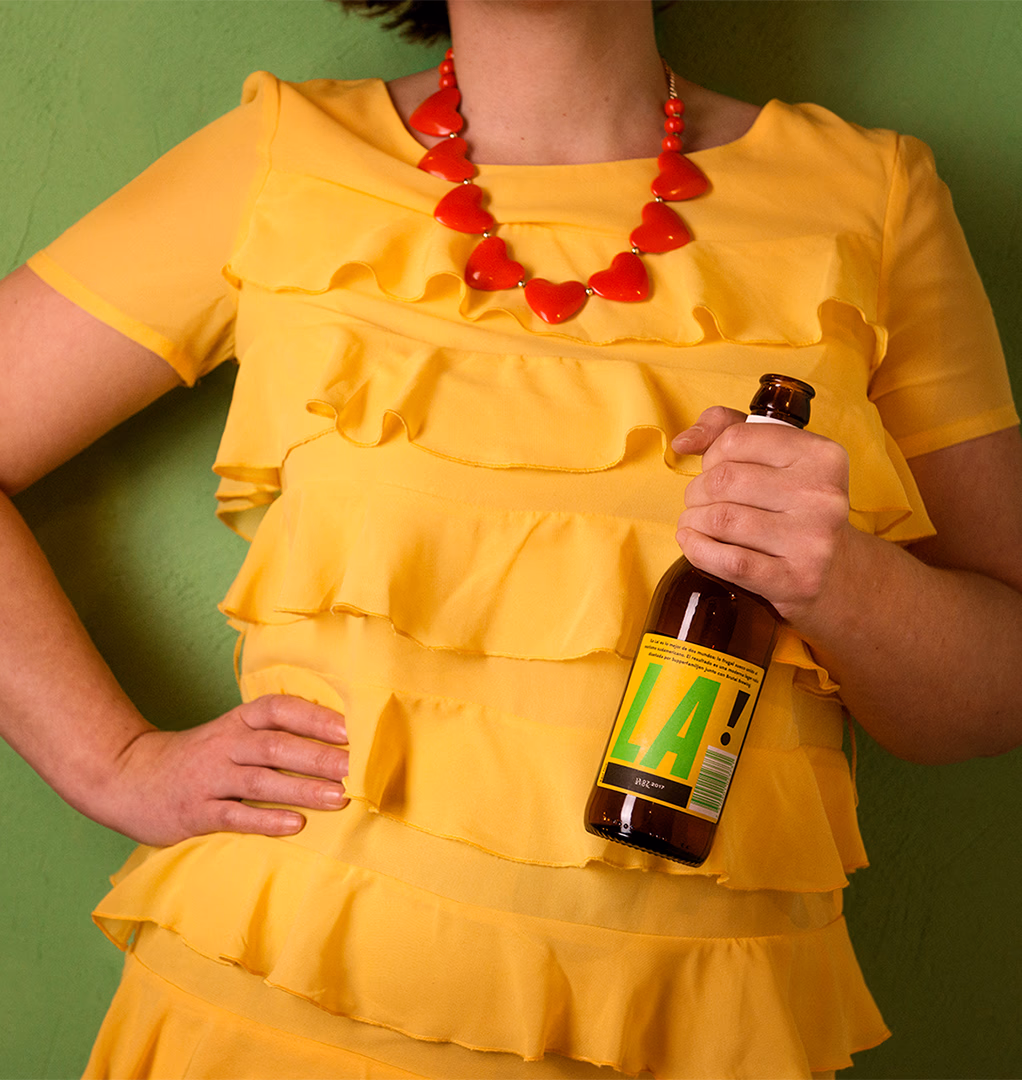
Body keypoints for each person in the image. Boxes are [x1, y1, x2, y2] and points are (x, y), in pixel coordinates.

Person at [2, 0, 1020, 1076]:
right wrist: (114, 765)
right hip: (270, 1025)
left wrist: (841, 580)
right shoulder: (283, 157)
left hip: (692, 1039)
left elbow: (996, 690)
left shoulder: (873, 196)